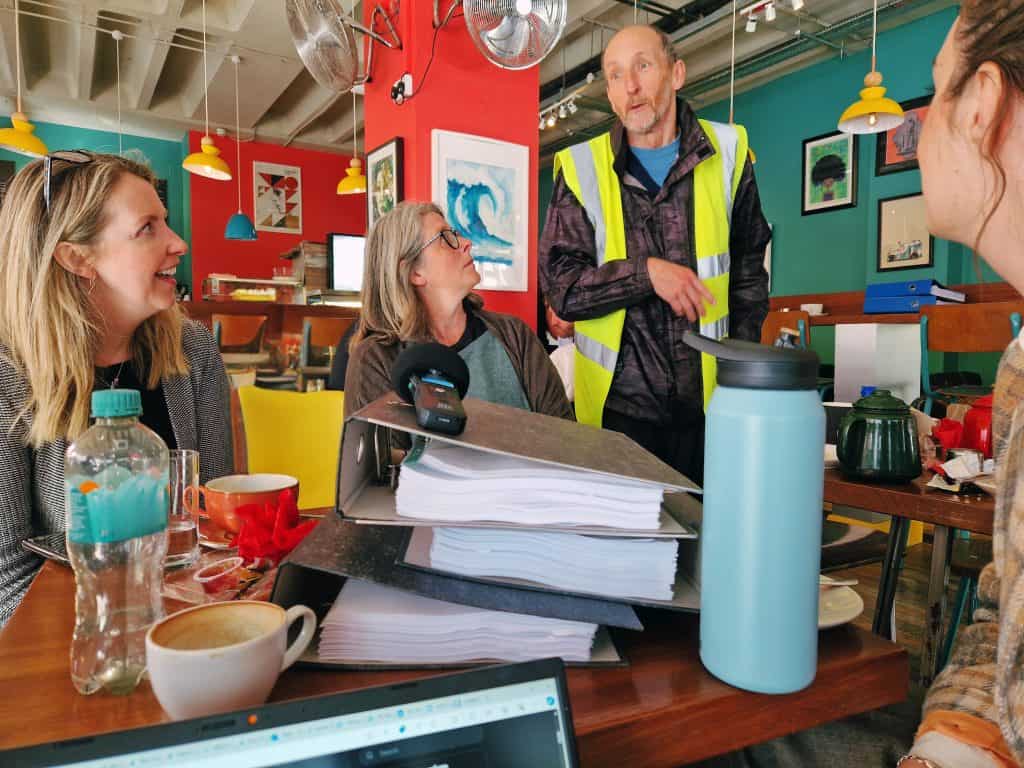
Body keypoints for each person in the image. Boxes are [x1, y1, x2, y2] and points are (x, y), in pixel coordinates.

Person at [698, 4, 1024, 766]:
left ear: (980, 106)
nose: (919, 131)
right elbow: (999, 613)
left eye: (933, 93)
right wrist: (948, 746)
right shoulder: (1017, 369)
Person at [0, 151, 233, 627]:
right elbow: (7, 579)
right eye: (147, 227)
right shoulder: (8, 373)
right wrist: (117, 631)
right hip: (76, 640)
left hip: (185, 623)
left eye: (166, 222)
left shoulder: (193, 349)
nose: (179, 243)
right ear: (78, 257)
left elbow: (213, 521)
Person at [539, 24, 770, 485]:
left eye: (643, 66)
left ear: (676, 73)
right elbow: (563, 291)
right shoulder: (581, 168)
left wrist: (739, 376)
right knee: (626, 555)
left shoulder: (728, 154)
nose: (631, 87)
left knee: (705, 548)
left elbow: (748, 274)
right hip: (618, 417)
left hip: (711, 409)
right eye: (615, 75)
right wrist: (646, 274)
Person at [344, 201, 573, 421]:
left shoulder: (514, 334)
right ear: (414, 272)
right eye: (446, 238)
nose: (466, 242)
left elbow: (562, 435)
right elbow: (384, 458)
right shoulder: (375, 358)